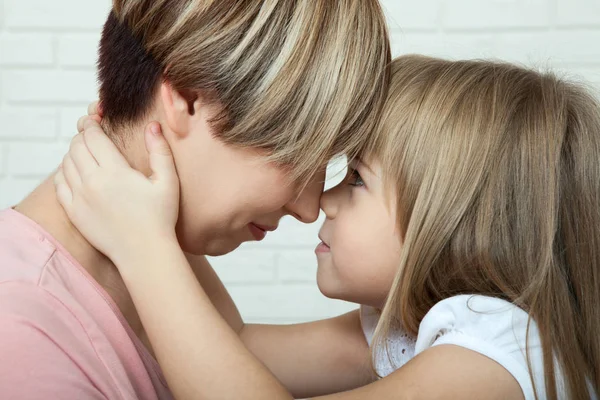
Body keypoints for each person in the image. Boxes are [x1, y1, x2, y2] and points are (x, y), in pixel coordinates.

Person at [59, 55, 600, 400]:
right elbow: (236, 346)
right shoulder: (410, 330)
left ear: (457, 217)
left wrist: (146, 248)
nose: (322, 203)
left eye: (358, 179)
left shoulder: (500, 352)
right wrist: (164, 200)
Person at [0, 0, 390, 398]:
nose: (309, 210)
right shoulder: (22, 336)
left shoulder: (157, 237)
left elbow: (238, 349)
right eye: (297, 155)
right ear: (186, 99)